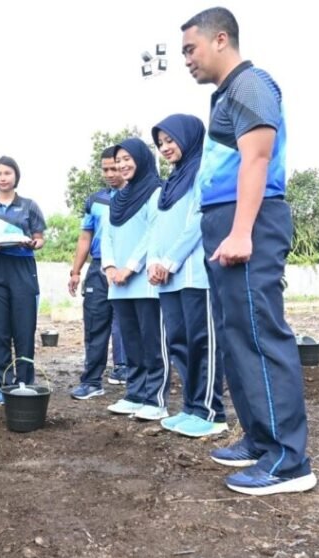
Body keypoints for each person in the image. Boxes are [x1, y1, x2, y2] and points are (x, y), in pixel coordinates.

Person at [180, 7, 316, 495]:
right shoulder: (224, 96)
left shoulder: (251, 84)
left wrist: (241, 232)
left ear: (221, 40)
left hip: (249, 218)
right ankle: (261, 438)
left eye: (190, 49)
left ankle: (289, 462)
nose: (186, 60)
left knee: (260, 333)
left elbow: (257, 158)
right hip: (226, 218)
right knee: (236, 335)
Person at [147, 114, 227, 437]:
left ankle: (211, 411)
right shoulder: (169, 184)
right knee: (179, 342)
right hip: (168, 278)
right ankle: (191, 407)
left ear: (189, 137)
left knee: (202, 342)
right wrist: (154, 260)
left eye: (170, 140)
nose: (165, 148)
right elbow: (157, 226)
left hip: (194, 274)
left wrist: (169, 260)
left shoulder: (201, 171)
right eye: (160, 143)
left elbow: (198, 220)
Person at [0, 156, 46, 404]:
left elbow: (39, 237)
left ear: (16, 176)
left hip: (22, 266)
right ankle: (3, 384)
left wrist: (34, 243)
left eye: (7, 173)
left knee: (24, 327)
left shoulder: (29, 205)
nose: (3, 178)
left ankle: (24, 382)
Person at [102, 138, 167, 421]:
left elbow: (154, 233)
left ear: (142, 158)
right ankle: (135, 393)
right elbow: (107, 236)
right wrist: (109, 267)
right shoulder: (118, 198)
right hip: (118, 284)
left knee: (151, 341)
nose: (122, 164)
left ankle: (156, 398)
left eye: (128, 158)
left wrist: (129, 267)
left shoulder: (156, 191)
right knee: (131, 342)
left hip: (144, 282)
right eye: (119, 160)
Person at [68, 147, 131, 400]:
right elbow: (85, 237)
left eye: (114, 168)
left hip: (130, 269)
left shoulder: (142, 196)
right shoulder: (95, 200)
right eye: (105, 169)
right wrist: (75, 272)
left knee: (131, 324)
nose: (110, 173)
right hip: (98, 268)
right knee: (95, 325)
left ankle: (134, 379)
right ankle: (92, 381)